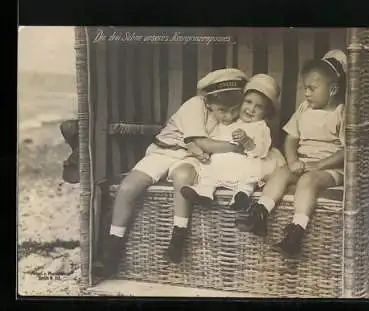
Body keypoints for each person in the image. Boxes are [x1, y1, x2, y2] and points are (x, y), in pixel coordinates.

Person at [98, 68, 249, 276]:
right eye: (222, 110)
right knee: (128, 188)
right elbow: (201, 142)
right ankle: (111, 251)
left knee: (183, 178)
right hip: (164, 151)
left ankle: (178, 238)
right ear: (207, 101)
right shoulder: (194, 105)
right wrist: (235, 147)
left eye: (235, 110)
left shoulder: (234, 119)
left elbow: (206, 149)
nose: (229, 116)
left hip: (191, 158)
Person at [235, 50, 347, 259]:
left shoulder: (341, 113)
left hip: (330, 169)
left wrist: (319, 165)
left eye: (312, 88)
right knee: (281, 172)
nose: (306, 93)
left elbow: (348, 150)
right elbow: (291, 138)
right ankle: (260, 212)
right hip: (304, 163)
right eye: (305, 88)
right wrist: (293, 160)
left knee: (308, 180)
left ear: (332, 89)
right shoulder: (304, 109)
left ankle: (296, 230)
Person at [180, 74, 281, 213]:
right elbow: (216, 138)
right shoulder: (231, 120)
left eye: (259, 107)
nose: (251, 109)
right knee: (209, 170)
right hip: (224, 161)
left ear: (266, 112)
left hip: (247, 161)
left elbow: (260, 150)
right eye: (248, 102)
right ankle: (204, 192)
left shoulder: (260, 127)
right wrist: (204, 153)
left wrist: (247, 141)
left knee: (250, 176)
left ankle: (241, 195)